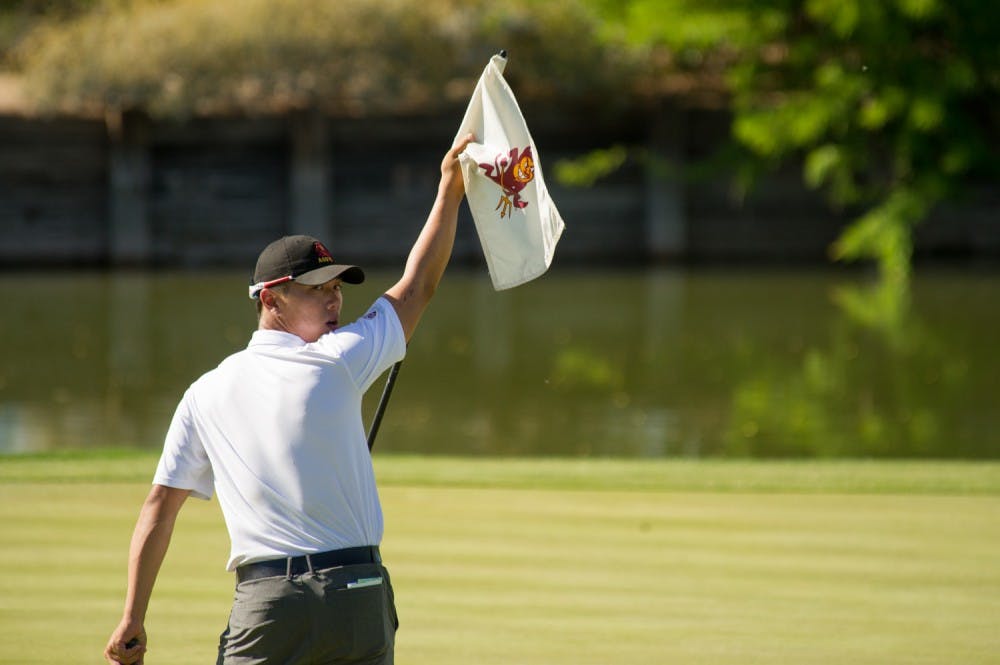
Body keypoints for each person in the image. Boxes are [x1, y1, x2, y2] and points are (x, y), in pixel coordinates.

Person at [104, 134, 475, 665]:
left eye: (337, 287)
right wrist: (449, 193)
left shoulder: (208, 390)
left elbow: (160, 508)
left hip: (275, 604)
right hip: (356, 596)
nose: (334, 298)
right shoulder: (337, 358)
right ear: (272, 299)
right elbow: (416, 289)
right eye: (317, 288)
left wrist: (132, 617)